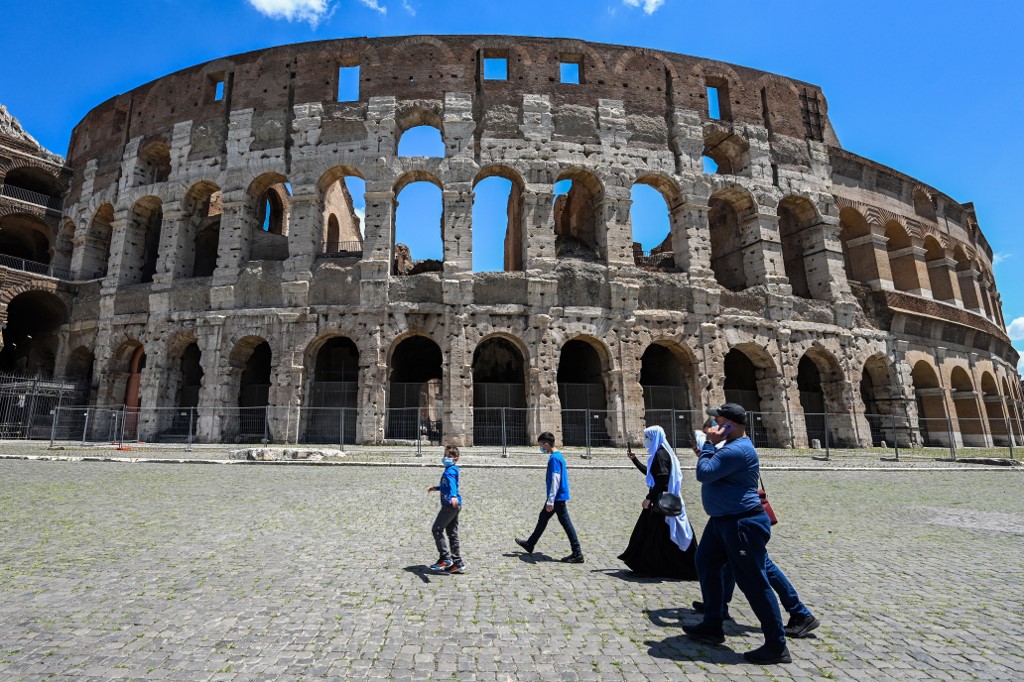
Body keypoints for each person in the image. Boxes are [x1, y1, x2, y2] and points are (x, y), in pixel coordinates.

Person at [691, 418, 820, 638]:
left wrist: (707, 452)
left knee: (760, 570)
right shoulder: (727, 449)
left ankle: (797, 616)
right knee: (722, 563)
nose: (707, 438)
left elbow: (710, 474)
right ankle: (717, 610)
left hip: (741, 521)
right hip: (728, 520)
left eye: (708, 434)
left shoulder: (733, 449)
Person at [683, 402, 791, 665]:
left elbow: (705, 474)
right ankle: (712, 624)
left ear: (729, 425)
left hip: (741, 523)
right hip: (721, 521)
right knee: (706, 564)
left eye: (717, 421)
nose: (712, 426)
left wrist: (708, 446)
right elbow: (715, 470)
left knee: (754, 581)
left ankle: (777, 645)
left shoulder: (738, 450)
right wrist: (709, 450)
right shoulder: (730, 448)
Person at [617, 425, 698, 579]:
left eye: (647, 438)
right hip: (660, 500)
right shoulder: (659, 454)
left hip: (661, 502)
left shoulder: (661, 455)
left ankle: (649, 566)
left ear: (654, 439)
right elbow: (652, 473)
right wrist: (635, 460)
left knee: (650, 534)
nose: (645, 440)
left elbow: (662, 480)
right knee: (656, 535)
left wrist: (649, 498)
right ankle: (652, 565)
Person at [515, 431, 584, 563]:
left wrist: (550, 500)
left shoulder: (554, 459)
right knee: (542, 519)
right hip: (557, 497)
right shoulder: (558, 456)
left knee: (567, 524)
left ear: (546, 444)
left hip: (557, 498)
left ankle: (577, 552)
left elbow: (555, 479)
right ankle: (530, 543)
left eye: (541, 445)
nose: (541, 448)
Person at [427, 445, 465, 574]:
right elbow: (447, 486)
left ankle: (445, 558)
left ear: (456, 459)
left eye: (449, 456)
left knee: (437, 529)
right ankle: (457, 562)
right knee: (452, 533)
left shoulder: (450, 471)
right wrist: (436, 488)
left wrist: (453, 495)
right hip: (455, 505)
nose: (445, 458)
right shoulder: (452, 469)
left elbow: (453, 485)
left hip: (450, 505)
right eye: (445, 455)